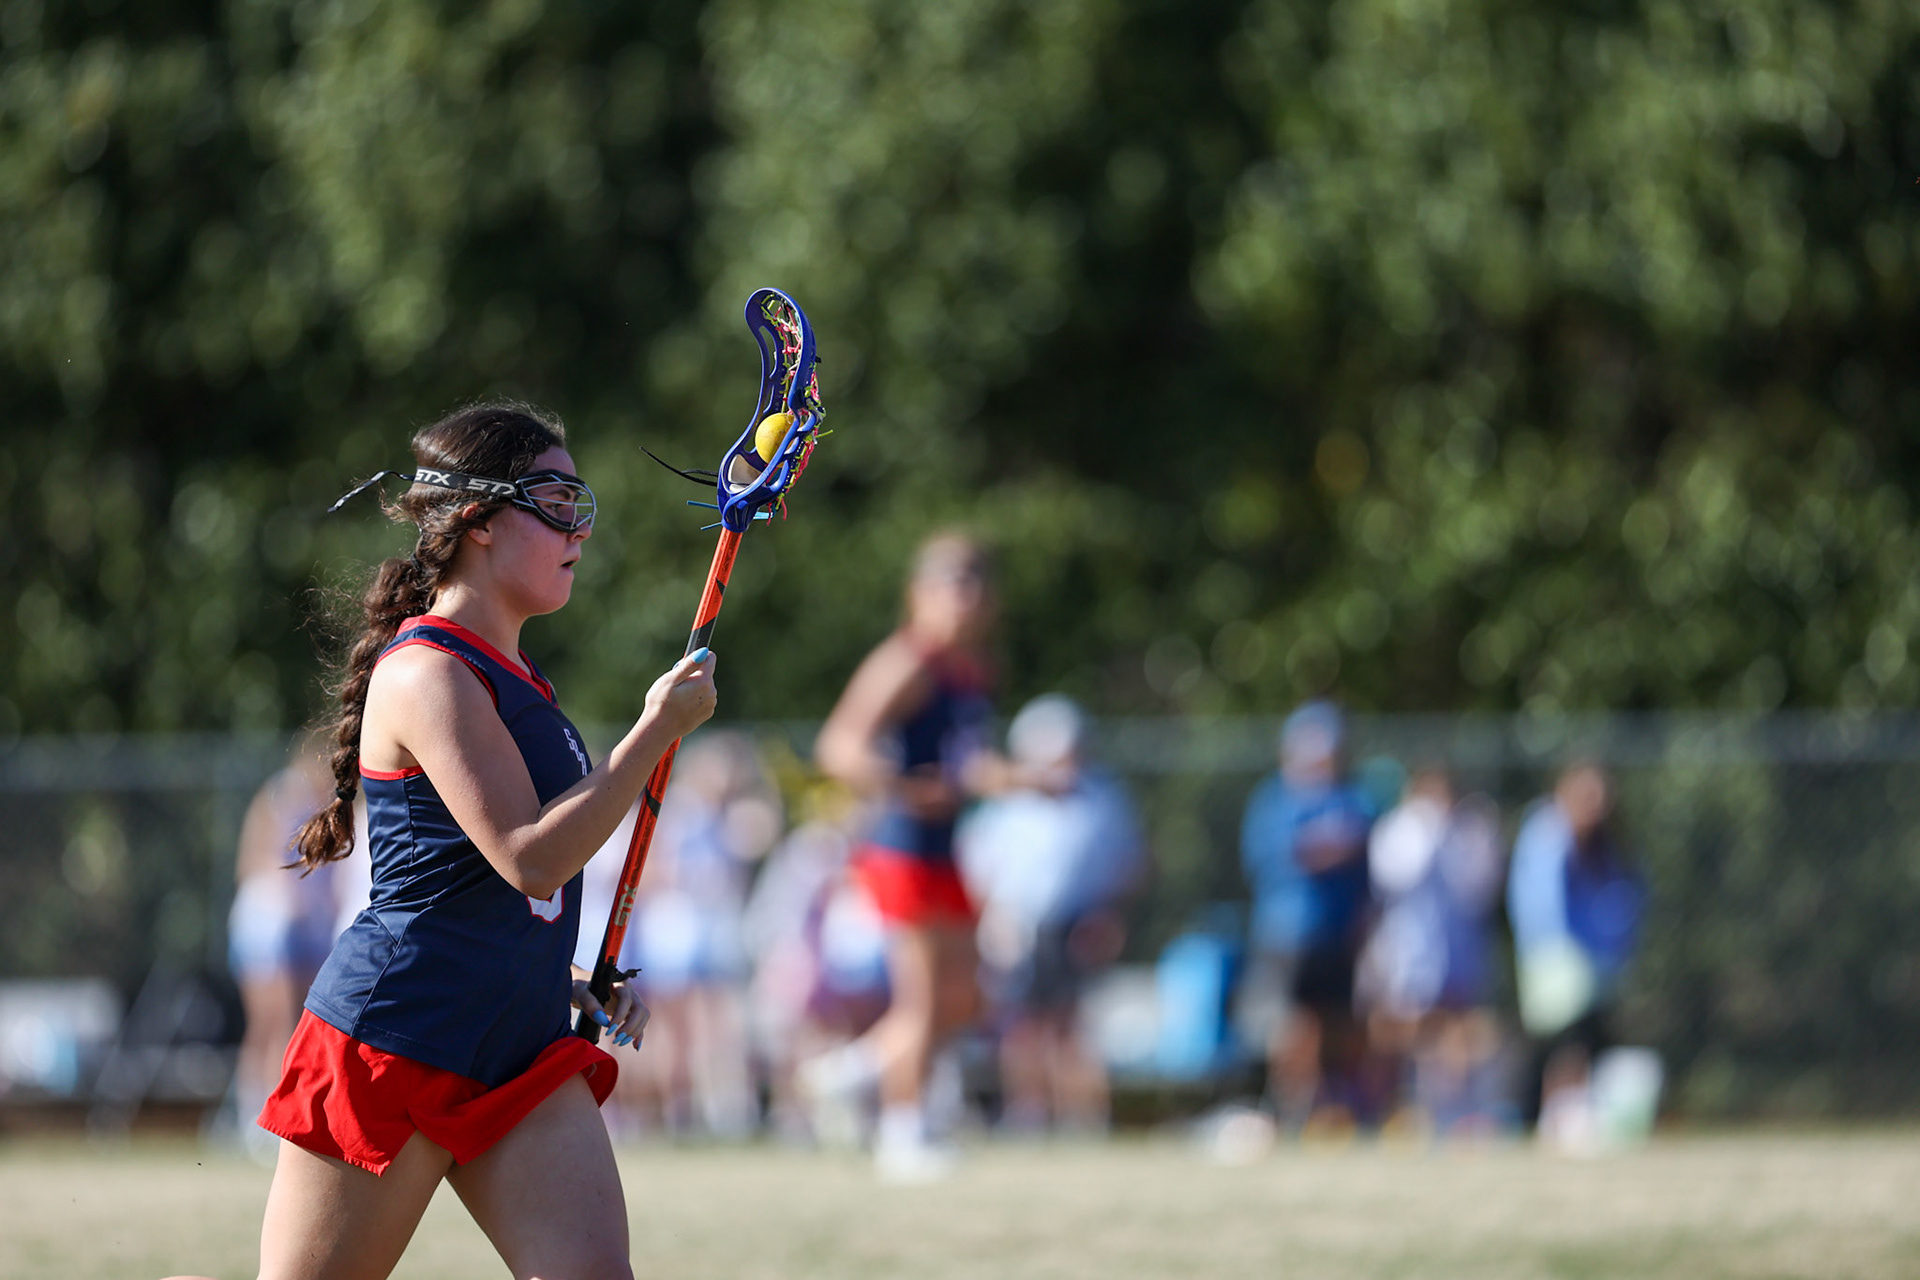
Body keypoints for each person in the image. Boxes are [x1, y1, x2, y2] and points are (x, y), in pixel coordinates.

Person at [248, 403, 717, 1280]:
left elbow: (497, 890)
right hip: (397, 1040)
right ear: (480, 522)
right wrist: (655, 731)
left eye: (584, 501)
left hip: (517, 1047)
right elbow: (531, 855)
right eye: (556, 499)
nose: (579, 526)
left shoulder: (523, 681)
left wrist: (555, 973)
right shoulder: (427, 671)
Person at [804, 531, 1007, 1179]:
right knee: (922, 998)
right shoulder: (908, 660)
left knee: (966, 997)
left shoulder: (967, 669)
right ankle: (903, 1132)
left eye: (975, 582)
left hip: (945, 853)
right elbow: (839, 747)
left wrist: (1020, 779)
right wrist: (904, 789)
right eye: (953, 581)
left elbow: (965, 764)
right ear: (919, 592)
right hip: (902, 851)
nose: (966, 596)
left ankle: (849, 1071)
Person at [959, 694, 1146, 1135]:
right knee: (1022, 1028)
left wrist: (1108, 917)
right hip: (1017, 927)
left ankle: (1081, 1118)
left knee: (1071, 1024)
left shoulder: (1103, 800)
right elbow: (979, 868)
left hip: (1078, 924)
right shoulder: (1007, 805)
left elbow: (1128, 866)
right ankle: (1029, 1114)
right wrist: (996, 922)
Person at [1239, 700, 1377, 1130]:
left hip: (1339, 935)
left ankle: (1332, 1108)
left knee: (1339, 1024)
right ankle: (1293, 1105)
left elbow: (1363, 860)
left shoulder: (1352, 797)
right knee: (1293, 1025)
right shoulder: (1274, 800)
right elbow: (1276, 856)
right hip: (1287, 934)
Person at [1356, 767, 1506, 1135]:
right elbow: (1397, 875)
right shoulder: (1398, 829)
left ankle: (1452, 1113)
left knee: (1456, 1030)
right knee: (1403, 1028)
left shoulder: (1468, 833)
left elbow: (1478, 887)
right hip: (1407, 951)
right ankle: (1388, 1109)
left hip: (1457, 951)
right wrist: (1426, 831)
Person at [1508, 762, 1645, 1144]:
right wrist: (1564, 951)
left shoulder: (1607, 843)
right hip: (1555, 956)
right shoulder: (1547, 835)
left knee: (1590, 1038)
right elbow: (1542, 908)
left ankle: (1569, 1116)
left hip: (1598, 958)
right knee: (1564, 1041)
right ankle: (1545, 1117)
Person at [226, 734, 341, 1162]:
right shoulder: (279, 796)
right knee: (268, 1023)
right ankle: (251, 1120)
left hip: (306, 930)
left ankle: (284, 1118)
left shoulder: (328, 805)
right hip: (267, 927)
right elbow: (256, 862)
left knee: (296, 1026)